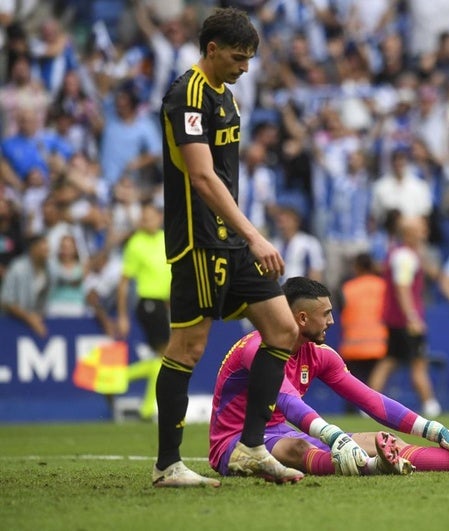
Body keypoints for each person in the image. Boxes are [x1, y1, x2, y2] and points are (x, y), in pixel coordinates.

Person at [154, 7, 303, 487]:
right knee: (188, 347)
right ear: (211, 49)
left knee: (283, 330)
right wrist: (256, 234)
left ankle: (252, 448)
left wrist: (245, 234)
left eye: (251, 59)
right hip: (199, 241)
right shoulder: (187, 96)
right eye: (238, 57)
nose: (245, 67)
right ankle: (167, 465)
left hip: (232, 240)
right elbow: (200, 176)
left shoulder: (228, 97)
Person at [210, 277, 449, 477]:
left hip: (280, 431)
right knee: (298, 446)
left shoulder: (320, 354)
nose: (332, 321)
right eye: (326, 314)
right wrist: (334, 436)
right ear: (301, 318)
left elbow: (371, 400)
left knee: (381, 439)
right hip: (237, 445)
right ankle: (373, 468)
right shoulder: (257, 348)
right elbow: (289, 402)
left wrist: (435, 429)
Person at [367, 216, 442, 418]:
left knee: (389, 360)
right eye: (420, 229)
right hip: (405, 321)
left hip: (396, 320)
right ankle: (431, 405)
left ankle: (367, 404)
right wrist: (412, 318)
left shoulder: (404, 254)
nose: (424, 232)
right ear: (409, 234)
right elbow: (402, 288)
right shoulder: (405, 257)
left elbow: (433, 272)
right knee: (418, 363)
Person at [116, 204, 171, 421]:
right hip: (148, 303)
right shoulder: (136, 244)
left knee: (162, 357)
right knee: (167, 355)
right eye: (144, 218)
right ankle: (147, 409)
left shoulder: (166, 238)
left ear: (159, 217)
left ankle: (117, 378)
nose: (147, 221)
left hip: (163, 304)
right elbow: (123, 282)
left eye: (151, 217)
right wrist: (122, 315)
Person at [338, 252, 388, 385]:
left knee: (352, 389)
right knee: (374, 389)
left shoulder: (347, 288)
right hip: (378, 346)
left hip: (352, 347)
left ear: (356, 267)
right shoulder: (383, 286)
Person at [0, 234, 50, 338]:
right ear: (33, 249)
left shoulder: (49, 270)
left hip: (37, 323)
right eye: (43, 247)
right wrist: (29, 319)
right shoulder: (18, 268)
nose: (47, 250)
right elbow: (6, 301)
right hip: (11, 324)